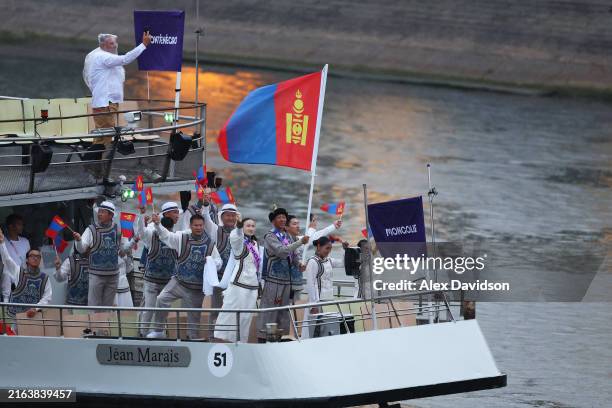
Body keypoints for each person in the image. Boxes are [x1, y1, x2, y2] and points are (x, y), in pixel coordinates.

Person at [148, 213, 222, 339]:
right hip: (178, 282)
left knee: (194, 319)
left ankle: (192, 338)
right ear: (190, 225)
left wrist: (211, 262)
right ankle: (158, 330)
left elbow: (219, 262)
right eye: (196, 225)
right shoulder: (182, 238)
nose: (198, 228)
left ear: (204, 226)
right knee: (161, 299)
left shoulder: (210, 244)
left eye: (200, 225)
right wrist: (157, 224)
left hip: (196, 289)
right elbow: (167, 236)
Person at [83, 32, 151, 147]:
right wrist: (143, 45)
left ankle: (96, 163)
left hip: (107, 103)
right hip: (105, 104)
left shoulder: (104, 56)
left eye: (115, 43)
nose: (115, 45)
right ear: (103, 44)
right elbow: (125, 59)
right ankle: (95, 162)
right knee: (105, 137)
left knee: (103, 137)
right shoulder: (103, 57)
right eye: (111, 43)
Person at [257, 208, 308, 342]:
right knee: (270, 310)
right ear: (273, 220)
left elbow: (293, 254)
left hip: (286, 280)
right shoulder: (270, 236)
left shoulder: (287, 235)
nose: (282, 220)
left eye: (284, 217)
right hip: (273, 280)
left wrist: (299, 264)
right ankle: (263, 339)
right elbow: (281, 251)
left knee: (283, 312)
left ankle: (280, 339)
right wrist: (300, 242)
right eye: (279, 217)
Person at [214, 218, 262, 343]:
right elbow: (235, 237)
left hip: (253, 286)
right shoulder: (239, 243)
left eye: (253, 225)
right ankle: (222, 341)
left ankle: (242, 343)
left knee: (246, 318)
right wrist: (239, 226)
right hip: (239, 284)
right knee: (231, 314)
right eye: (248, 226)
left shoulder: (255, 244)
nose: (251, 228)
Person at [73, 201, 128, 306]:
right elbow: (82, 249)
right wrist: (79, 240)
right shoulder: (91, 229)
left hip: (113, 275)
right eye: (99, 212)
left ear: (111, 215)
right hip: (96, 275)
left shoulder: (118, 229)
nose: (99, 214)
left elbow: (123, 248)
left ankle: (105, 322)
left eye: (102, 212)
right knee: (94, 304)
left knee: (108, 305)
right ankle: (94, 323)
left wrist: (134, 240)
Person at [135, 206, 178, 336]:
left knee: (163, 309)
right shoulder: (150, 236)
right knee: (149, 308)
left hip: (167, 282)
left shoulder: (175, 237)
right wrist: (141, 216)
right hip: (152, 281)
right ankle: (143, 333)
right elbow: (140, 232)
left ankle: (159, 332)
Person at [285, 214, 342, 300]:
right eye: (294, 224)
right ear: (286, 227)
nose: (298, 226)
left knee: (291, 310)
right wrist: (311, 229)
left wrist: (333, 226)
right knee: (284, 310)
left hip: (296, 283)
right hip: (285, 283)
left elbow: (312, 238)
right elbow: (307, 239)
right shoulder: (284, 241)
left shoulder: (297, 240)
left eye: (298, 224)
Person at [202, 202, 239, 333]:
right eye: (228, 215)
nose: (231, 218)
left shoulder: (240, 233)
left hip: (236, 280)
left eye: (233, 216)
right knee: (217, 309)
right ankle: (213, 335)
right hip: (219, 279)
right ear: (222, 217)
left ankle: (232, 335)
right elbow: (206, 218)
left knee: (234, 310)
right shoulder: (216, 231)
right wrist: (206, 205)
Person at [302, 236, 348, 339]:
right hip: (317, 302)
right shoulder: (312, 262)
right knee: (314, 331)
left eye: (330, 249)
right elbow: (310, 284)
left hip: (328, 300)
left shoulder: (329, 260)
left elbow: (342, 263)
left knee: (326, 331)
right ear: (318, 246)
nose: (329, 251)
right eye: (327, 248)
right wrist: (314, 305)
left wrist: (344, 250)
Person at [0, 230, 51, 319]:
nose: (35, 258)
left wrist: (35, 308)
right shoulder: (18, 272)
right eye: (32, 256)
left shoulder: (45, 278)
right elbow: (7, 259)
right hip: (14, 316)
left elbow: (47, 298)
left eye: (38, 257)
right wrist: (2, 243)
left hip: (33, 317)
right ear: (27, 259)